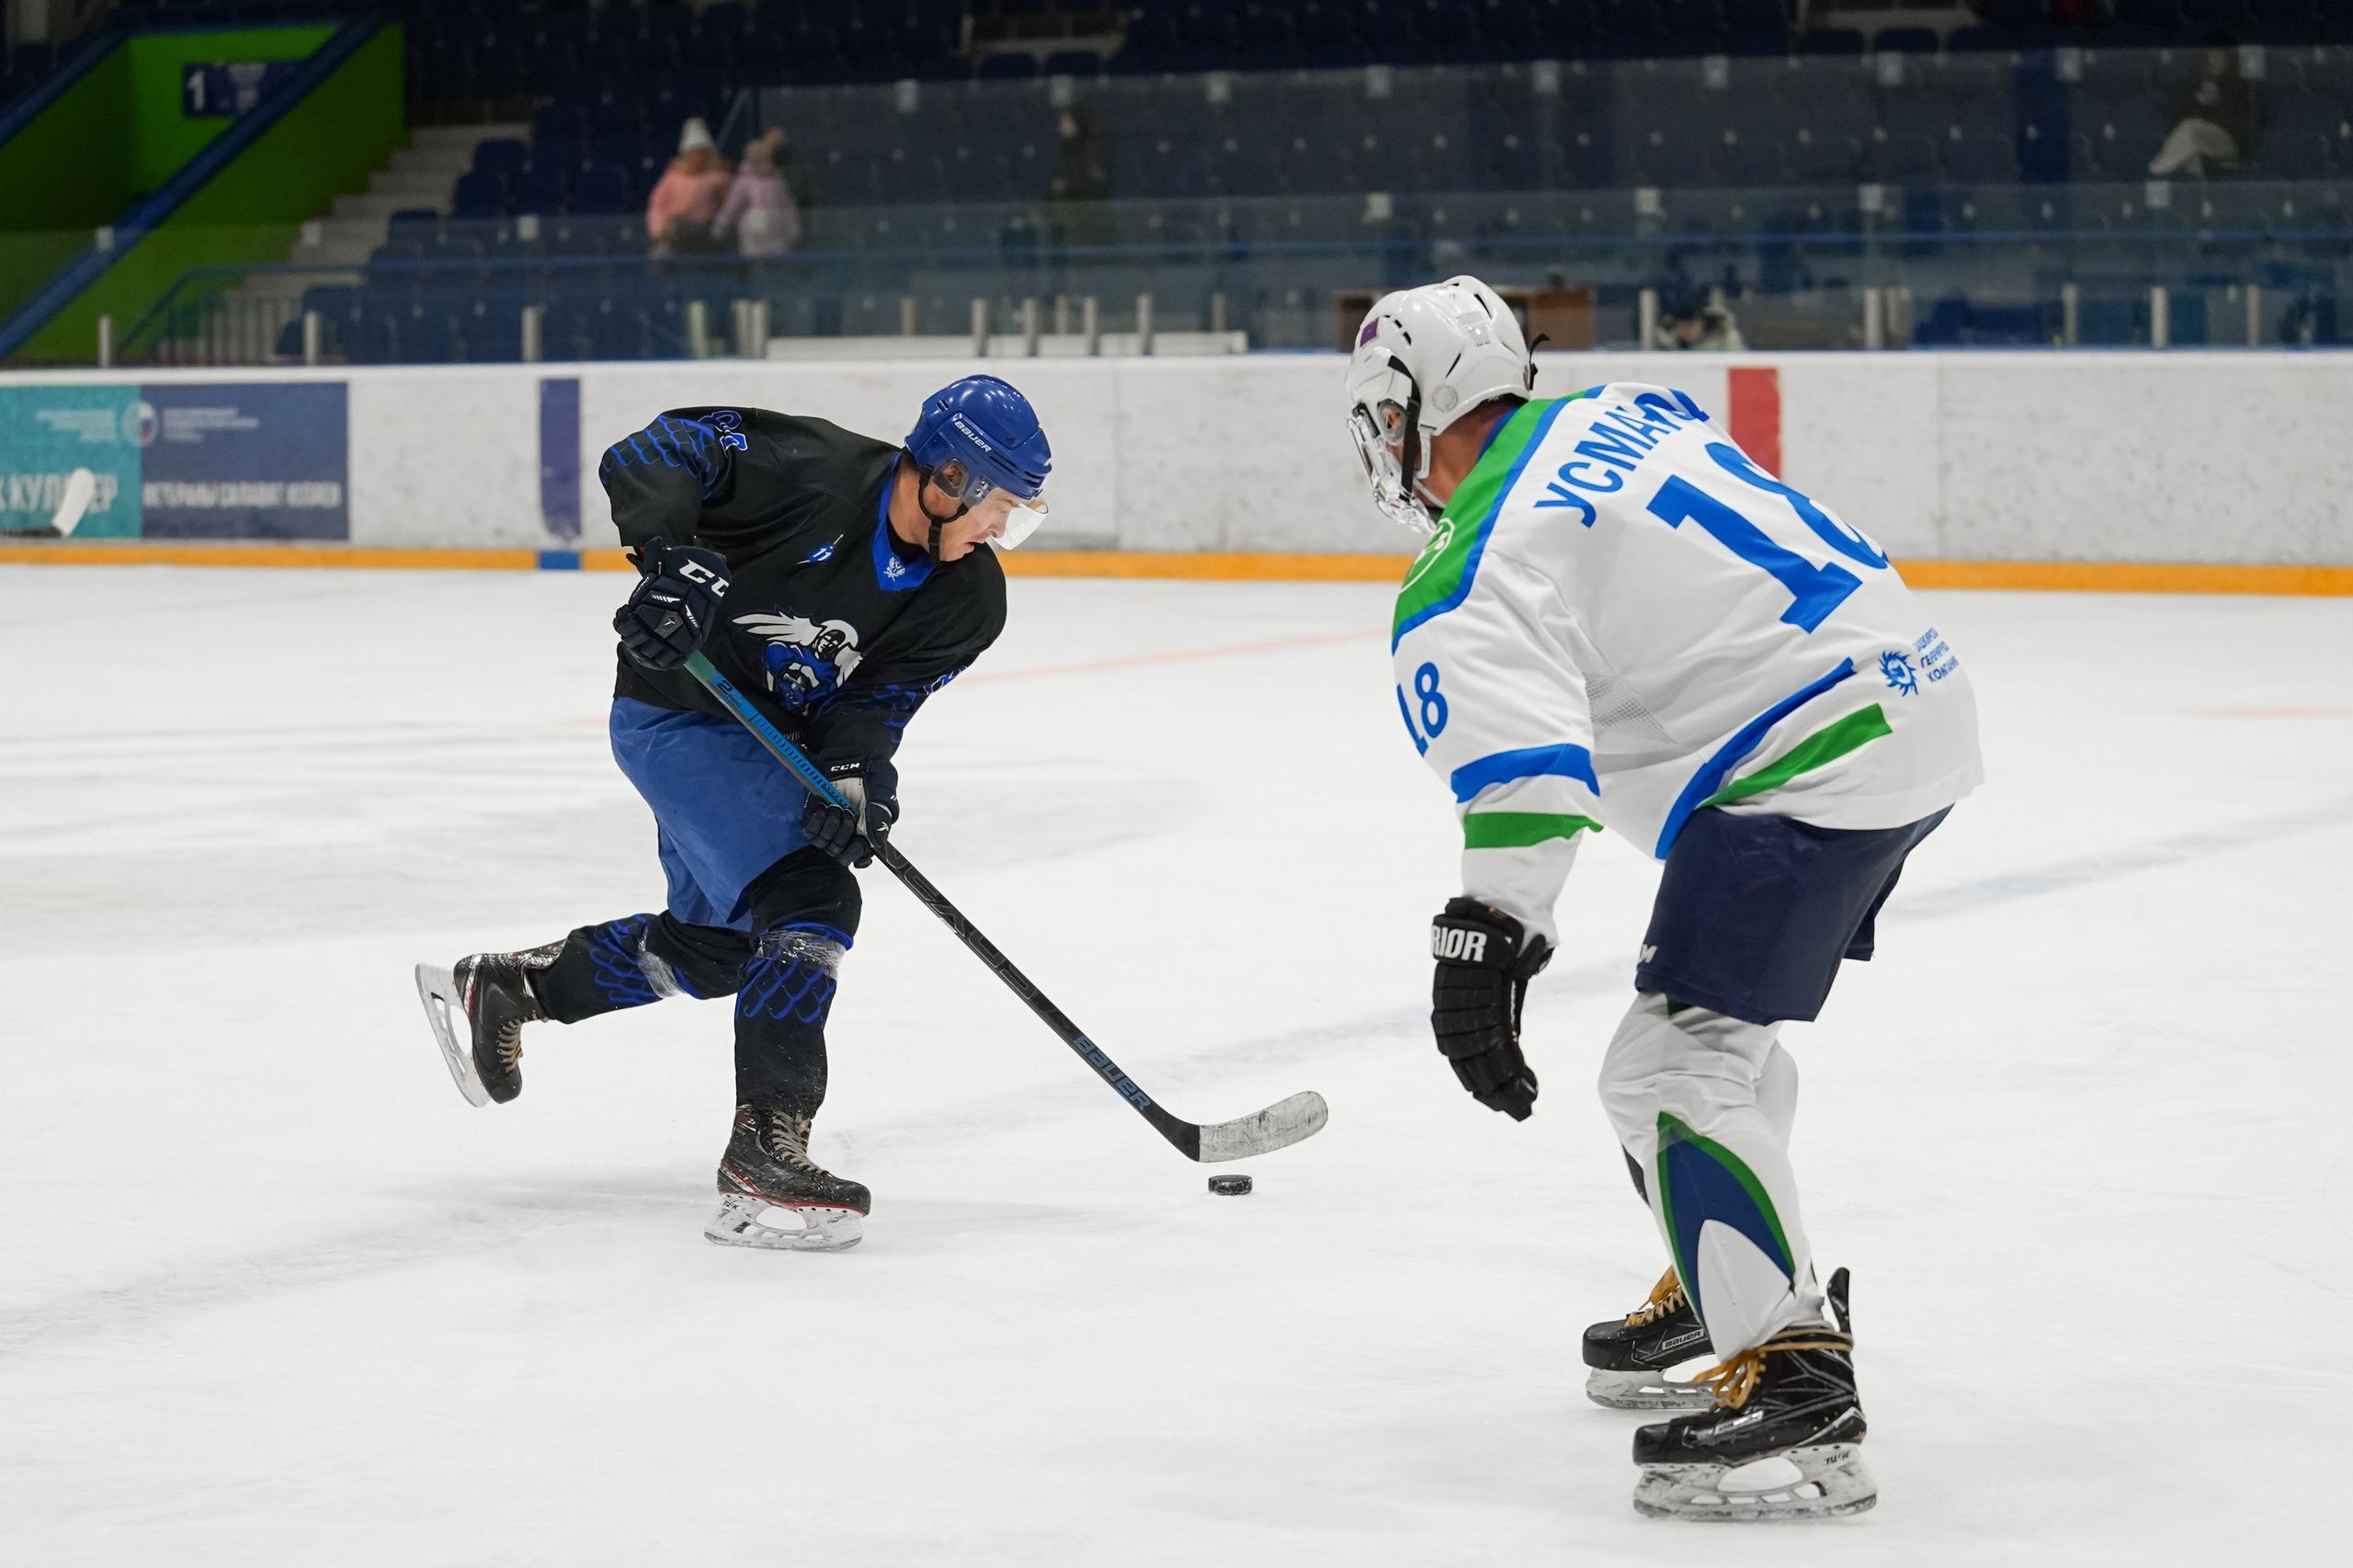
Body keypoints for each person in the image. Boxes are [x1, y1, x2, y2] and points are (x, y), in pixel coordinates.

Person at [1347, 277, 1981, 1520]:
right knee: (1722, 1043)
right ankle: (1720, 1270)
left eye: (1385, 411)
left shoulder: (1472, 555)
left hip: (1816, 755)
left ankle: (1798, 1387)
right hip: (1914, 697)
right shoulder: (1621, 408)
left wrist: (1484, 950)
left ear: (1422, 407)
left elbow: (1529, 783)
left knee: (1667, 1072)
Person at [416, 377, 1053, 1253]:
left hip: (771, 741)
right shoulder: (817, 472)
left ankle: (515, 987)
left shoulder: (970, 597)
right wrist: (669, 561)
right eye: (999, 508)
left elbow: (878, 703)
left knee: (721, 952)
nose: (998, 533)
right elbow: (649, 452)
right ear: (948, 478)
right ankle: (764, 1152)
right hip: (678, 715)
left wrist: (857, 780)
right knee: (812, 899)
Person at [2149, 40, 2254, 178]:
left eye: (2219, 56)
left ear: (2228, 59)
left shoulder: (2239, 85)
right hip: (2199, 142)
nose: (2215, 60)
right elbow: (2178, 116)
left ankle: (2155, 172)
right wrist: (2200, 103)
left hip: (2229, 144)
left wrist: (2218, 102)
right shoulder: (2195, 83)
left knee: (2190, 129)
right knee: (2191, 159)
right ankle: (2197, 194)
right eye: (2211, 56)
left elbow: (2242, 126)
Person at [646, 117, 734, 256]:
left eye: (701, 154)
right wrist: (659, 232)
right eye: (693, 154)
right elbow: (658, 206)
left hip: (708, 230)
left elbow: (729, 204)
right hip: (677, 230)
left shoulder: (719, 178)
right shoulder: (672, 178)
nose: (697, 159)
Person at [714, 127, 801, 259]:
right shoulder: (744, 182)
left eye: (767, 158)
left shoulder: (776, 181)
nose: (765, 163)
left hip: (777, 239)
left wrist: (793, 230)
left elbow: (787, 206)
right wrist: (719, 229)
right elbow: (732, 207)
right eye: (761, 159)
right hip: (754, 239)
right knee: (757, 266)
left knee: (778, 268)